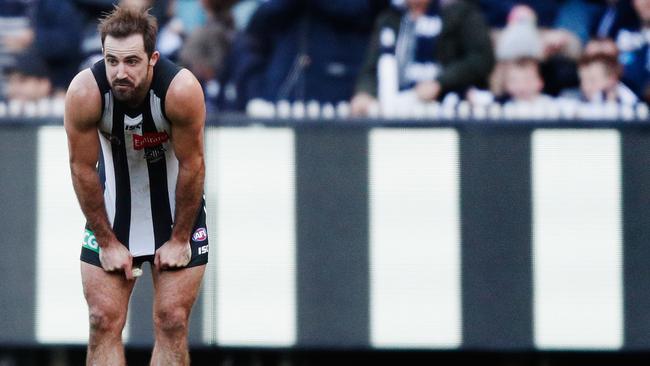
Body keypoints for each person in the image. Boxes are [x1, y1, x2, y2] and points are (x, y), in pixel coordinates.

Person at [64, 6, 207, 366]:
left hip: (176, 215)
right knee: (102, 321)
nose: (120, 72)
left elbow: (193, 165)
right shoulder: (85, 92)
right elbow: (82, 168)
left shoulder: (180, 90)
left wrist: (179, 239)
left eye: (131, 61)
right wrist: (108, 241)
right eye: (111, 61)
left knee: (172, 321)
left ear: (153, 59)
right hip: (112, 213)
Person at [350, 0, 494, 116]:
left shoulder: (460, 12)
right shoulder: (390, 18)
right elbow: (371, 67)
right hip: (398, 106)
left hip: (448, 107)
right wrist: (364, 92)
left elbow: (481, 59)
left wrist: (440, 83)